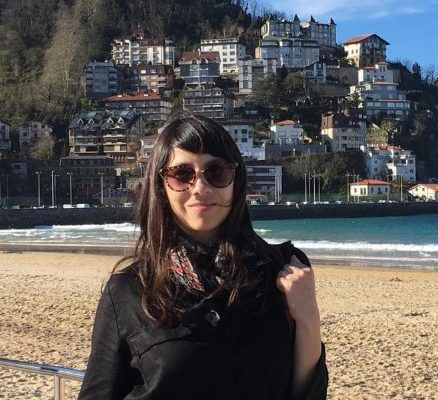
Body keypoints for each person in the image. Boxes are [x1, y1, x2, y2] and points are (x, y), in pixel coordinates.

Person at [78, 111, 327, 399]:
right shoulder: (129, 290)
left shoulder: (284, 272)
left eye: (217, 172)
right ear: (161, 186)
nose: (200, 188)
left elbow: (308, 393)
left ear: (236, 181)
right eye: (181, 174)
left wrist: (308, 318)